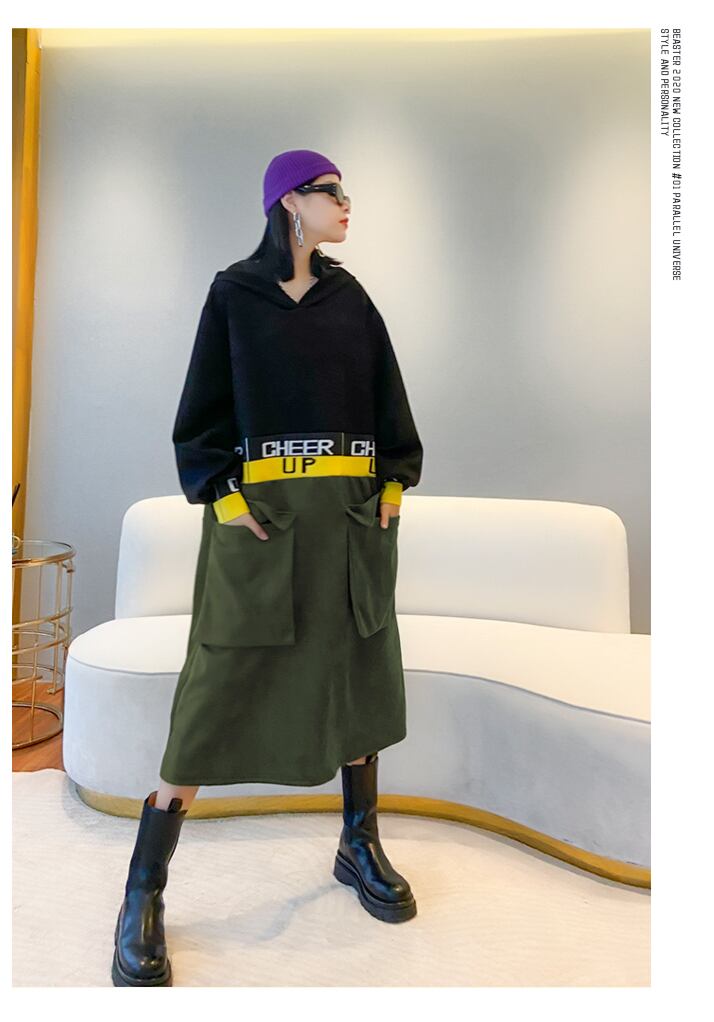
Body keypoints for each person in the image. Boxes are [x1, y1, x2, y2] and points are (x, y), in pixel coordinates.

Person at [112, 149, 424, 986]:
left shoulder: (351, 300)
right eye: (332, 192)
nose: (346, 205)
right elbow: (200, 416)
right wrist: (223, 498)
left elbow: (389, 402)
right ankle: (144, 887)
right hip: (262, 526)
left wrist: (393, 485)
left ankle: (358, 843)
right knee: (218, 685)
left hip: (350, 520)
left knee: (355, 671)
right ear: (291, 201)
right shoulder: (235, 296)